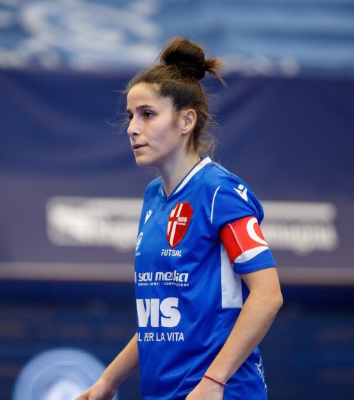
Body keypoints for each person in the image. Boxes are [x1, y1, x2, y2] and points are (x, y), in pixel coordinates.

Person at [75, 37, 283, 400]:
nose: (132, 128)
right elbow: (162, 320)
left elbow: (268, 295)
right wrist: (108, 381)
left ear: (186, 120)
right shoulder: (153, 198)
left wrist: (215, 381)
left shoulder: (219, 192)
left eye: (147, 114)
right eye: (130, 116)